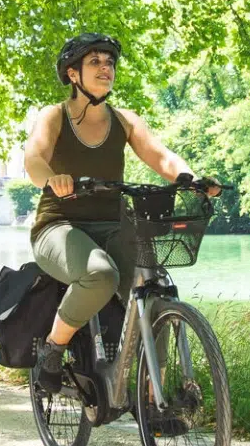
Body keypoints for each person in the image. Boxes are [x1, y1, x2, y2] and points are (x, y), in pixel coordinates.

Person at [21, 33, 217, 395]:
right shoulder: (54, 116)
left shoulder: (125, 120)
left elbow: (161, 156)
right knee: (100, 274)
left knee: (152, 287)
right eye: (94, 61)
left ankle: (151, 396)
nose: (105, 68)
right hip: (59, 226)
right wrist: (52, 179)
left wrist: (191, 179)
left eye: (109, 62)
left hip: (114, 224)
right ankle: (53, 349)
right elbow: (34, 157)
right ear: (73, 74)